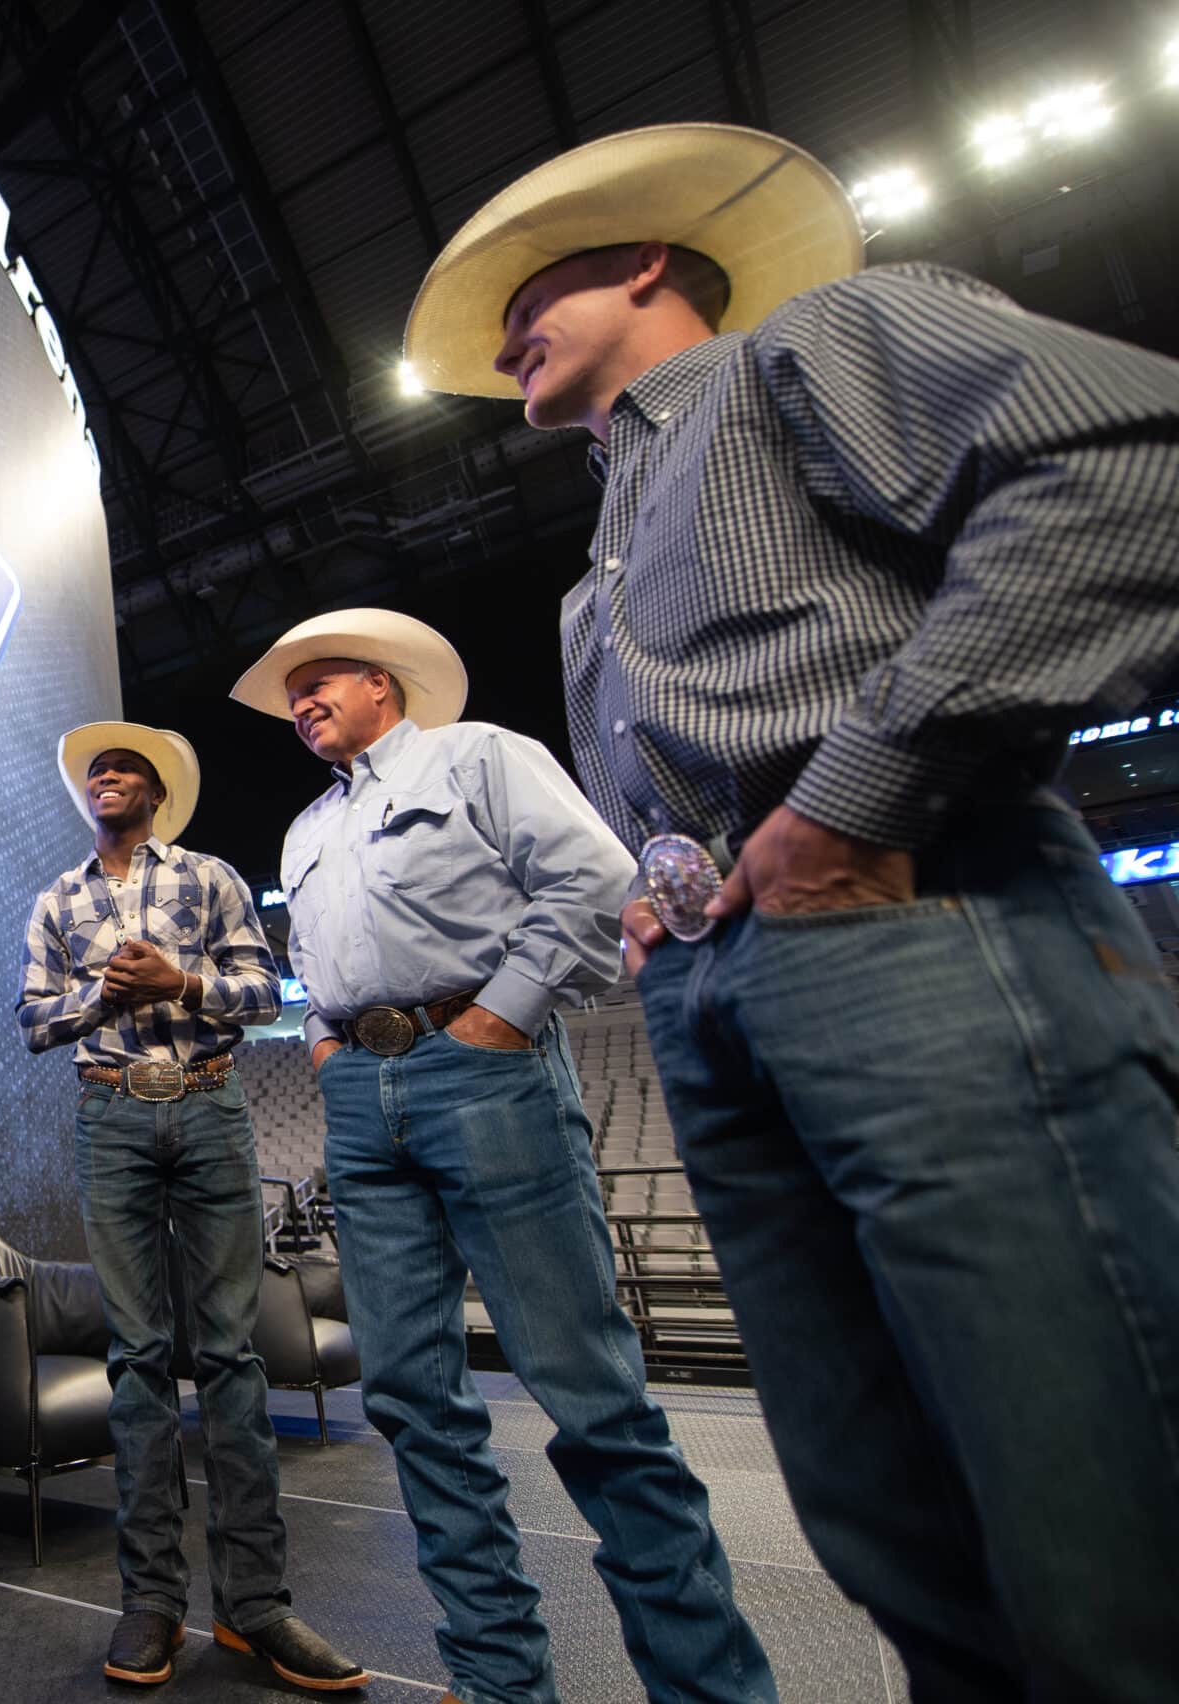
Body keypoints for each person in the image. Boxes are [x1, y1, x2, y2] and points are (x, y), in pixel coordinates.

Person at [402, 119, 1179, 1702]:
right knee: (886, 1517)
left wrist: (846, 804)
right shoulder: (588, 572)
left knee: (1087, 1512)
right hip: (713, 982)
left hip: (913, 919)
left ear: (646, 262)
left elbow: (1125, 458)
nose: (500, 339)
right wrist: (653, 907)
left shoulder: (810, 344)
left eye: (530, 287)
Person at [239, 608, 776, 1704]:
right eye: (289, 690)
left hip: (481, 1068)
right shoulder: (302, 831)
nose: (299, 699)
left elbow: (588, 881)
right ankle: (497, 1680)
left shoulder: (481, 754)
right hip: (360, 1091)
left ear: (384, 682)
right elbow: (314, 960)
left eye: (320, 677)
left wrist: (501, 1016)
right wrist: (329, 1045)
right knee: (409, 1396)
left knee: (587, 1393)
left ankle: (706, 1688)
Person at [17, 721, 370, 1693]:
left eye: (126, 767)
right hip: (112, 1117)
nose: (107, 778)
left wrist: (179, 982)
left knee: (229, 1359)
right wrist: (102, 995)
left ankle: (255, 1607)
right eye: (95, 770)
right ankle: (153, 1603)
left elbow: (265, 994)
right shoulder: (57, 900)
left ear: (157, 789)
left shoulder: (209, 877)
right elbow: (32, 1020)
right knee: (135, 1361)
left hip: (212, 1107)